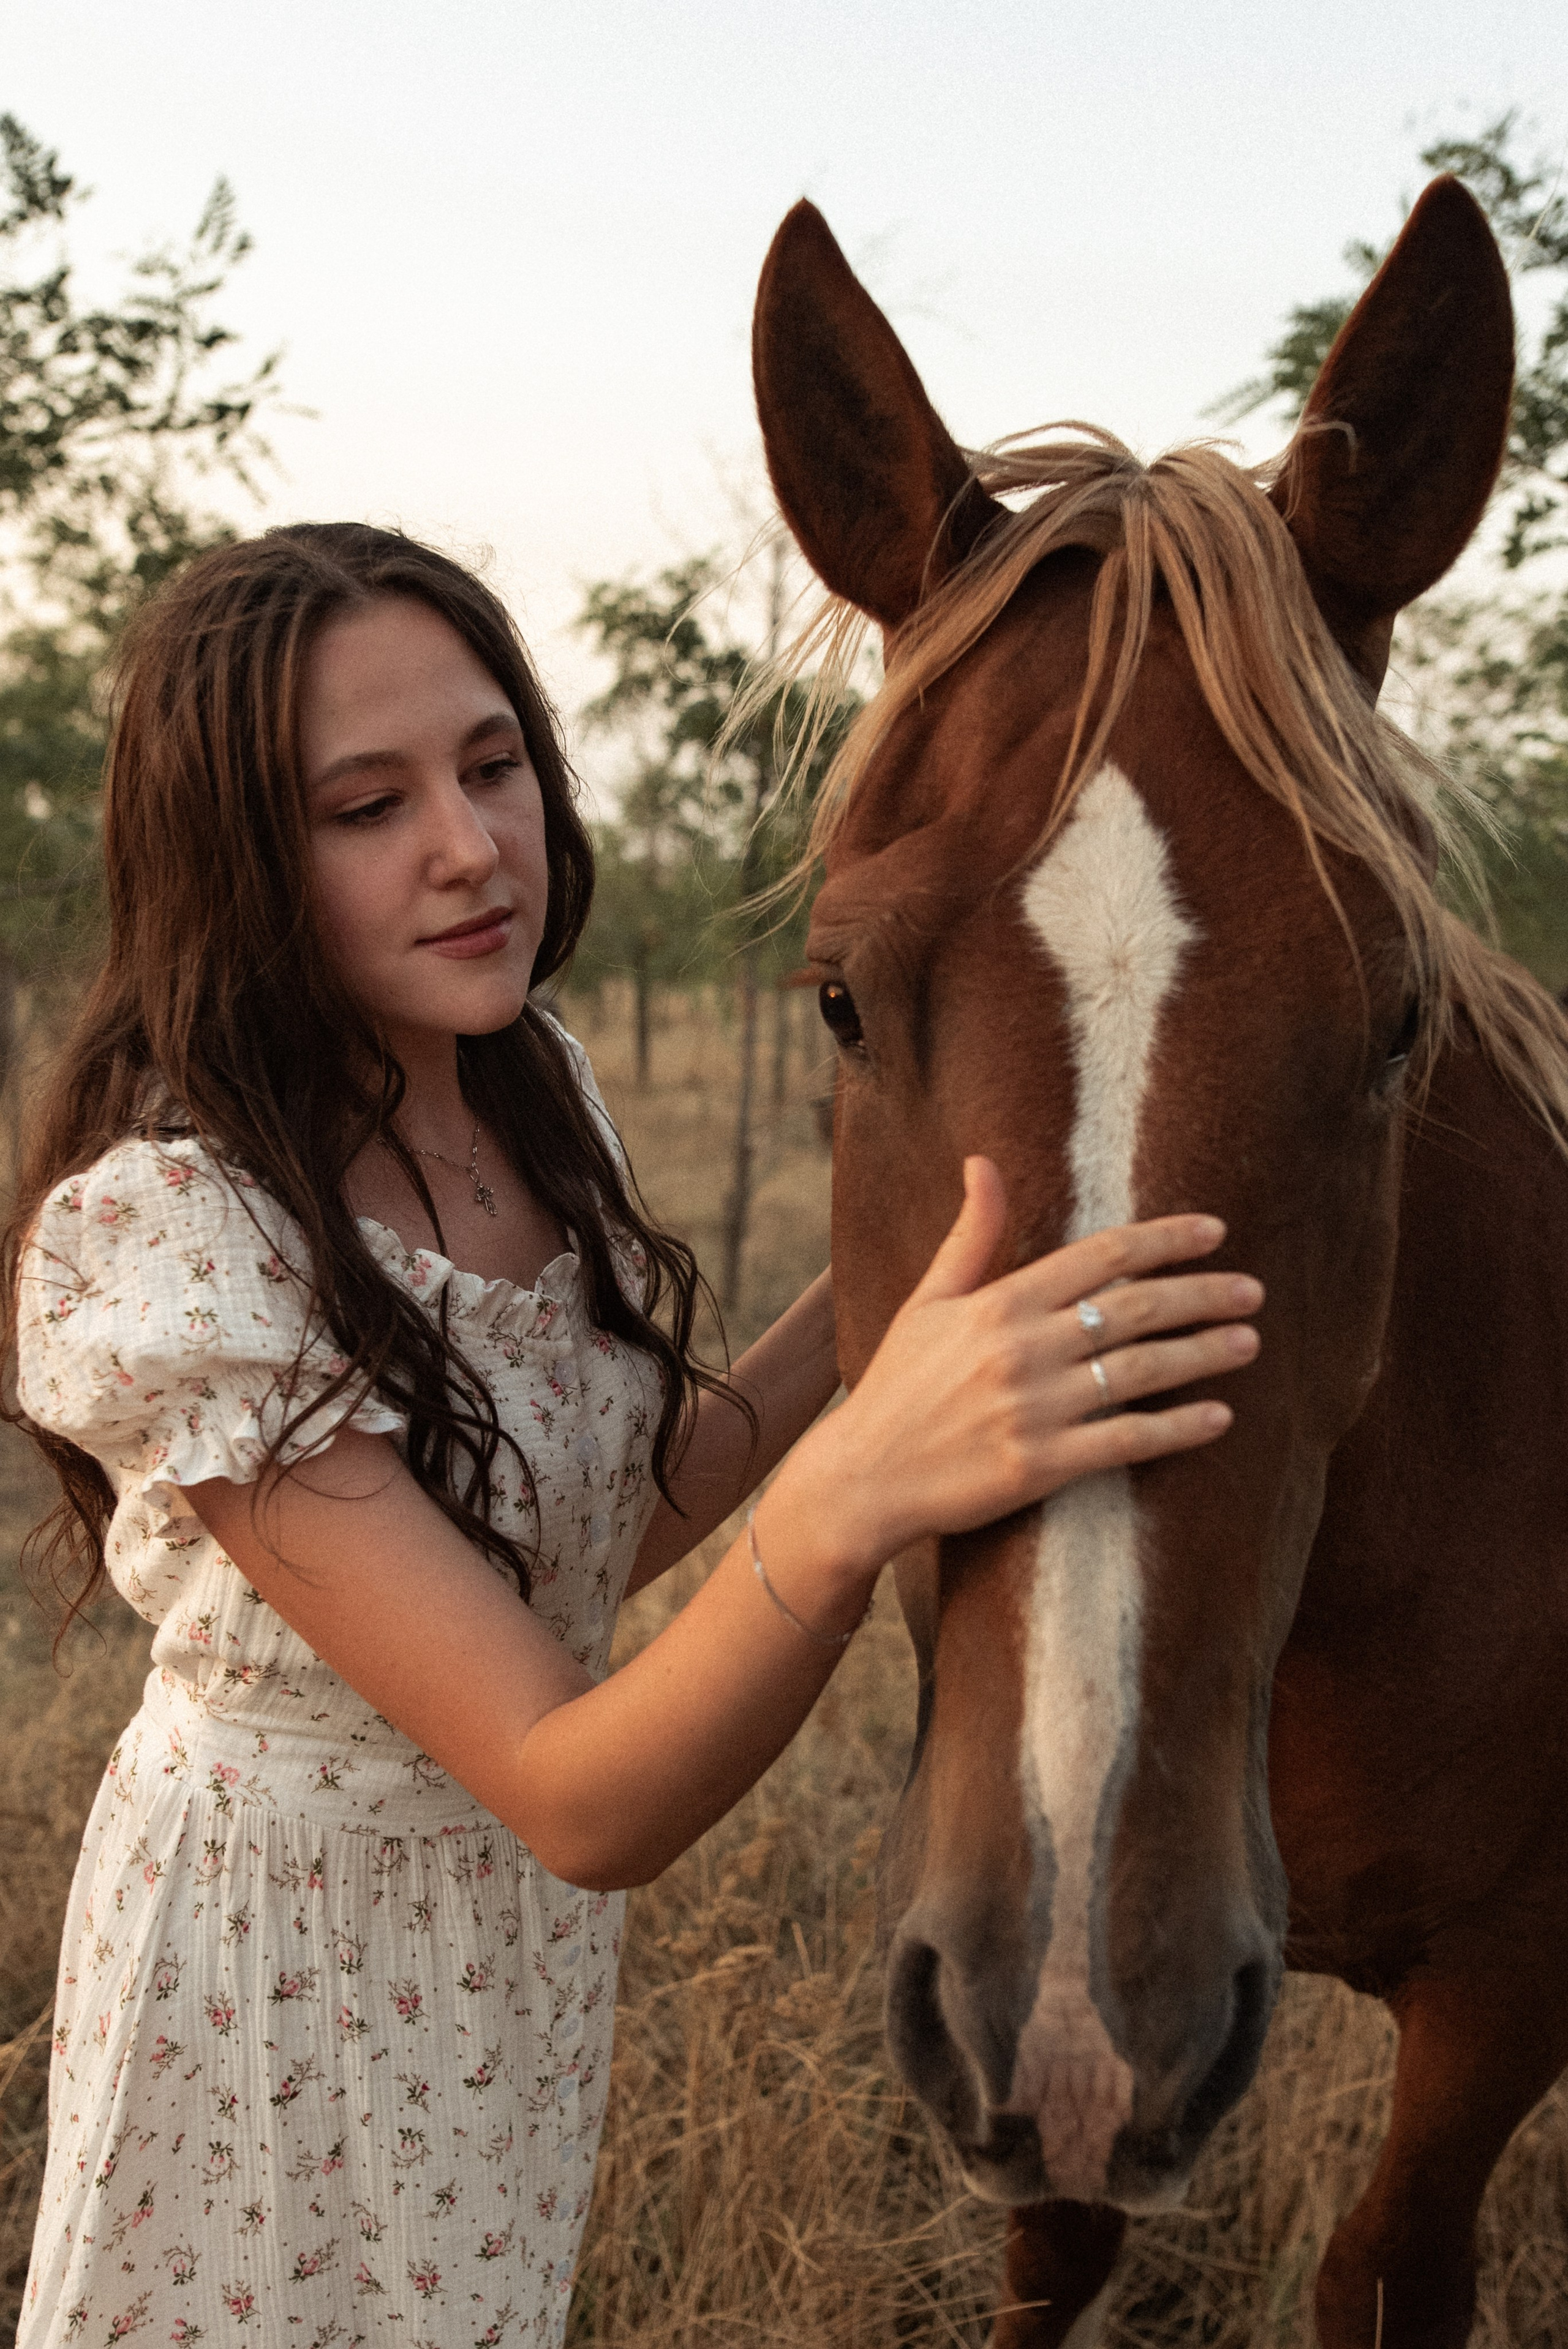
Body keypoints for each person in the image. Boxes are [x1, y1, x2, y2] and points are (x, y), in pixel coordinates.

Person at [6, 523, 1262, 2347]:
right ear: (235, 864)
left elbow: (605, 1507)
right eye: (367, 806)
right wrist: (856, 1489)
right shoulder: (180, 1235)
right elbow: (577, 1792)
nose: (469, 845)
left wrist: (915, 1258)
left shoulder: (531, 1088)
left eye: (494, 762)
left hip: (496, 1965)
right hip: (282, 1970)